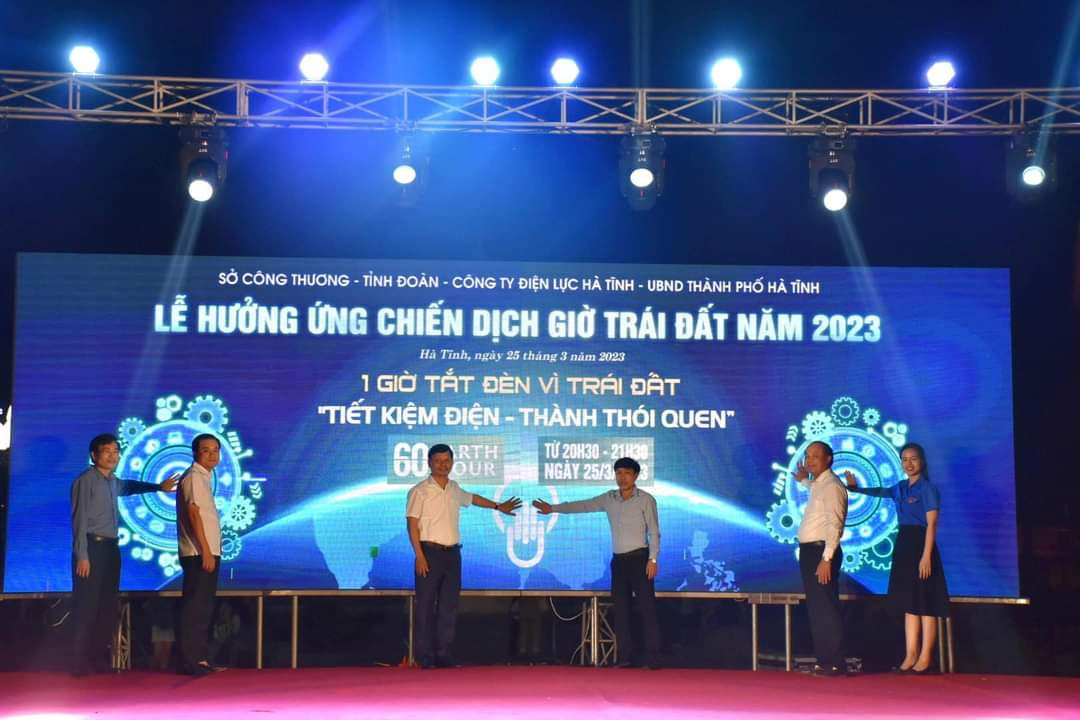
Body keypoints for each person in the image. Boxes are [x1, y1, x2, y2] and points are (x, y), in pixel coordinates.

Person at [534, 457, 661, 669]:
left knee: (647, 609)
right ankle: (625, 658)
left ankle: (653, 658)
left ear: (636, 476)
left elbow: (654, 531)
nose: (622, 477)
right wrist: (553, 508)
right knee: (621, 610)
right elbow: (583, 505)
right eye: (619, 473)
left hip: (640, 559)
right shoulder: (609, 498)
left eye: (627, 473)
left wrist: (653, 558)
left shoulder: (646, 500)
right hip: (619, 561)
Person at [69, 432, 178, 676]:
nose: (112, 456)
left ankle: (96, 660)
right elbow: (79, 520)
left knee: (106, 606)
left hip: (110, 548)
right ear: (94, 455)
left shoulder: (113, 481)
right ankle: (78, 662)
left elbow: (129, 487)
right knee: (87, 606)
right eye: (106, 451)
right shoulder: (86, 480)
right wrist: (82, 555)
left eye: (115, 452)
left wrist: (158, 487)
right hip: (92, 547)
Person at [406, 443, 521, 668]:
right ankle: (425, 657)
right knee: (425, 606)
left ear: (452, 463)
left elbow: (473, 499)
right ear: (429, 463)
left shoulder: (454, 488)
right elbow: (412, 525)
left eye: (446, 461)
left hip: (452, 555)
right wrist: (419, 555)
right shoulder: (419, 491)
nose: (443, 465)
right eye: (438, 461)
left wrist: (498, 506)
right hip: (428, 553)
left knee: (449, 606)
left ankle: (443, 655)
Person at [844, 442, 950, 674]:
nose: (908, 463)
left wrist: (926, 556)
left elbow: (932, 524)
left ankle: (925, 656)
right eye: (904, 459)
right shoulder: (901, 487)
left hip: (922, 545)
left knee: (926, 602)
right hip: (904, 546)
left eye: (913, 458)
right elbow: (880, 492)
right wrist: (856, 489)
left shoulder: (928, 489)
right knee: (910, 602)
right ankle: (911, 654)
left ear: (922, 461)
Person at [794, 440, 849, 677]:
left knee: (826, 607)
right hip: (811, 552)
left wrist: (827, 558)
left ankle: (836, 662)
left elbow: (835, 525)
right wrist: (803, 480)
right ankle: (824, 660)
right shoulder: (820, 484)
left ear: (828, 459)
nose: (810, 460)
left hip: (822, 553)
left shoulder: (833, 486)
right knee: (818, 608)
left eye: (815, 456)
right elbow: (814, 489)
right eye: (807, 456)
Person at [176, 433, 224, 676]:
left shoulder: (204, 477)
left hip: (206, 551)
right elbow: (193, 514)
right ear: (195, 453)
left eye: (216, 450)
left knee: (203, 608)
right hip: (198, 552)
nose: (212, 454)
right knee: (195, 608)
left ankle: (200, 659)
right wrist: (205, 550)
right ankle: (190, 661)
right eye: (206, 450)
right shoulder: (194, 477)